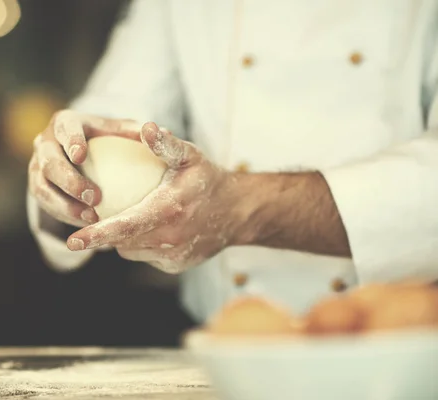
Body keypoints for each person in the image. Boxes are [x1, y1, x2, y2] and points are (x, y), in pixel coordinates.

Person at [27, 0, 438, 323]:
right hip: (223, 349)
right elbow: (120, 111)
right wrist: (67, 170)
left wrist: (241, 209)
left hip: (399, 342)